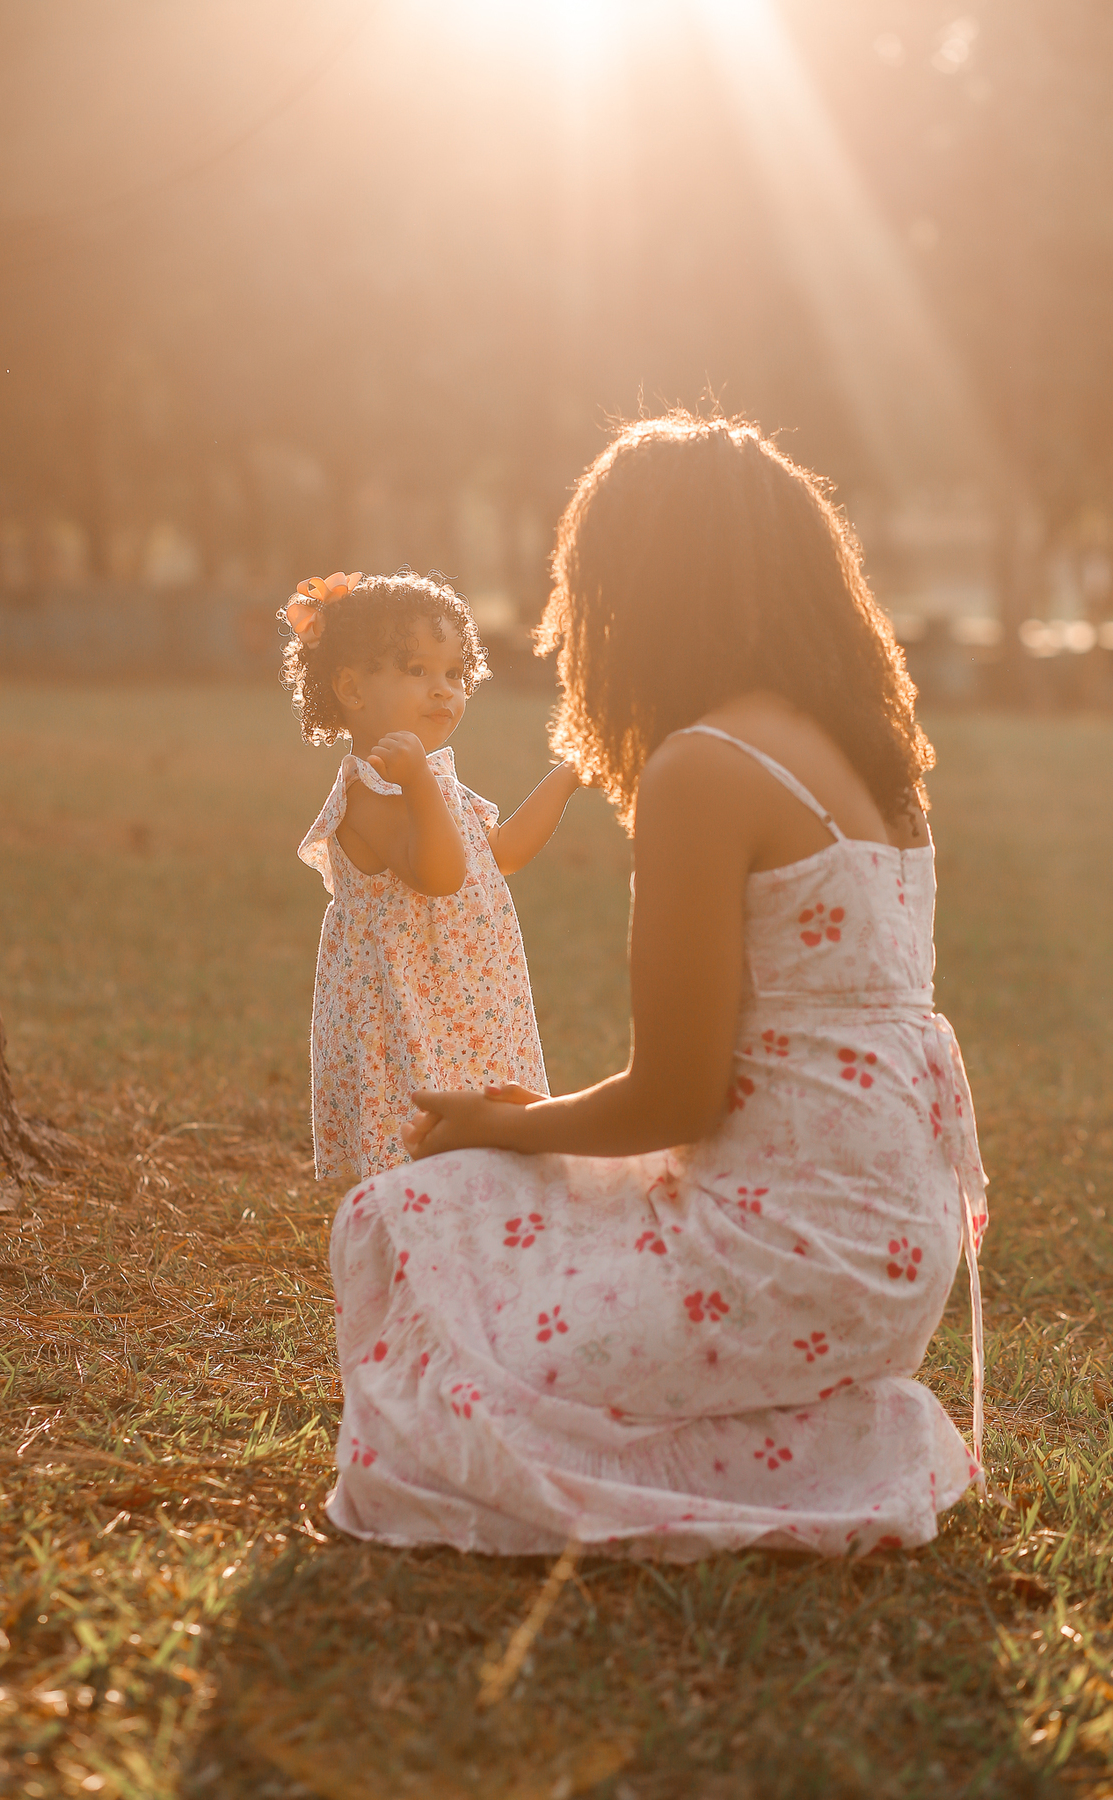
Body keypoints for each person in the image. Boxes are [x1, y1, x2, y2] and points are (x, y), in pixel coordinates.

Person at [323, 417, 990, 1560]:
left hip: (784, 1249)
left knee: (411, 1217)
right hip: (896, 1252)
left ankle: (777, 1450)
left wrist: (506, 1124)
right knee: (510, 1218)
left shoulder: (704, 767)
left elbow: (678, 1099)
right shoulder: (877, 763)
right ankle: (823, 1428)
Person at [282, 567, 580, 1179]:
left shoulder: (434, 779)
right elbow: (440, 874)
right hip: (406, 1009)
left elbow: (503, 855)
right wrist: (417, 783)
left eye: (453, 673)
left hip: (469, 1004)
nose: (443, 690)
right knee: (422, 1153)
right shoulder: (368, 795)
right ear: (352, 688)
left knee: (485, 1139)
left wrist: (570, 773)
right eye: (416, 671)